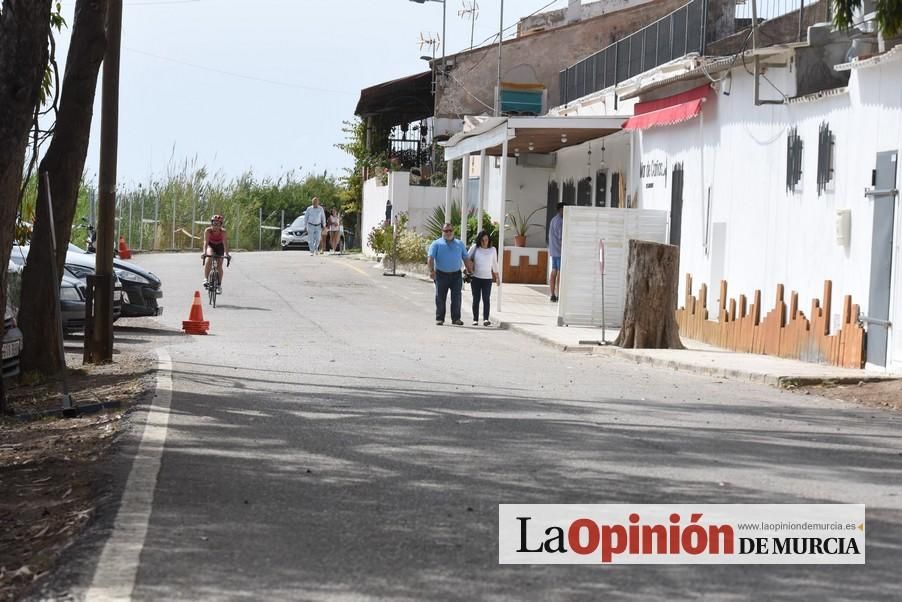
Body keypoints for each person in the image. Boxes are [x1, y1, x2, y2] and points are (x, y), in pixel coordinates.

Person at [427, 223, 473, 326]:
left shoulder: (459, 244)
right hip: (441, 274)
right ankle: (440, 318)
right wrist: (431, 271)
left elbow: (465, 258)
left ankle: (456, 319)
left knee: (456, 297)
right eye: (446, 231)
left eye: (450, 230)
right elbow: (430, 258)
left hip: (456, 275)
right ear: (442, 232)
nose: (448, 233)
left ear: (453, 231)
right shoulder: (436, 244)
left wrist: (469, 271)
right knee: (440, 298)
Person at [467, 230, 499, 326]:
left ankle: (486, 319)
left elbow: (494, 264)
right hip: (476, 278)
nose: (484, 242)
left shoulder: (493, 249)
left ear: (489, 240)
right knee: (476, 299)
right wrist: (466, 270)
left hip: (487, 279)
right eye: (482, 240)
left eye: (486, 240)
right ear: (479, 240)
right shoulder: (475, 248)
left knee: (486, 299)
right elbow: (466, 258)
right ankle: (475, 319)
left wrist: (497, 277)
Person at [203, 214, 229, 292]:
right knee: (209, 258)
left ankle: (219, 285)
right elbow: (205, 242)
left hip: (220, 246)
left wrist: (227, 254)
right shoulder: (208, 231)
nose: (215, 226)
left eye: (217, 224)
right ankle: (206, 279)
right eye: (213, 224)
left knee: (219, 265)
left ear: (221, 225)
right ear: (211, 224)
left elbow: (225, 243)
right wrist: (204, 252)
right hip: (211, 246)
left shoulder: (223, 232)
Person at [547, 201, 564, 302]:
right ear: (561, 210)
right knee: (559, 273)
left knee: (554, 271)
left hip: (553, 250)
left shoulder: (553, 219)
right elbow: (561, 238)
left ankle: (552, 294)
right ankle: (558, 295)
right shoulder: (560, 221)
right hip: (559, 251)